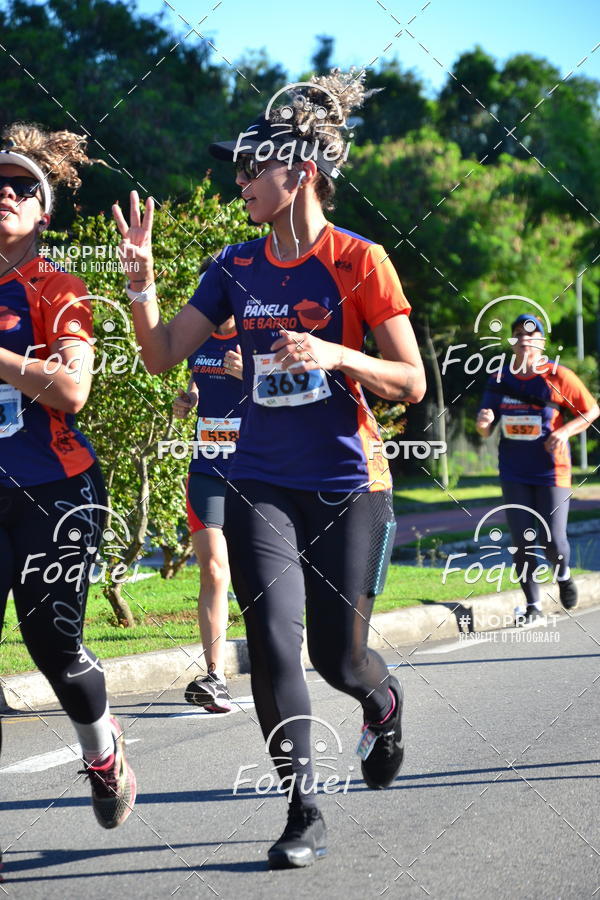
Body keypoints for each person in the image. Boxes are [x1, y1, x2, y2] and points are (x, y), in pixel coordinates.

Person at [113, 70, 426, 869]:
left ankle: (381, 702)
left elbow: (411, 382)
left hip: (350, 482)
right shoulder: (233, 266)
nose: (241, 179)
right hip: (259, 480)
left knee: (338, 657)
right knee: (274, 647)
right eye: (239, 168)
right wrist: (142, 289)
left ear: (303, 172)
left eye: (255, 165)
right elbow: (159, 357)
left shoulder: (361, 261)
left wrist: (332, 352)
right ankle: (302, 809)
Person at [0, 124, 136, 863]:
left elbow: (74, 387)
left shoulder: (59, 288)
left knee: (52, 644)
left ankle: (103, 751)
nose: (5, 195)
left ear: (43, 212)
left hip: (55, 489)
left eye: (22, 187)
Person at [476, 313, 599, 624]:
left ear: (543, 342)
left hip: (551, 470)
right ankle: (533, 605)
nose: (525, 340)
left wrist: (564, 432)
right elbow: (485, 424)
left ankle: (564, 575)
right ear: (513, 342)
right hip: (514, 470)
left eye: (532, 335)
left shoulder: (559, 376)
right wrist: (484, 424)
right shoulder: (500, 378)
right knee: (522, 540)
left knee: (554, 540)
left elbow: (592, 409)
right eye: (518, 334)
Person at [171, 262, 244, 712]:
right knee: (214, 569)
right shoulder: (197, 340)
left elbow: (292, 400)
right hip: (207, 470)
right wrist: (189, 400)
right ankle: (215, 675)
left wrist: (250, 377)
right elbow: (198, 386)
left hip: (258, 473)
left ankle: (278, 660)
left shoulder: (260, 339)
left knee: (259, 577)